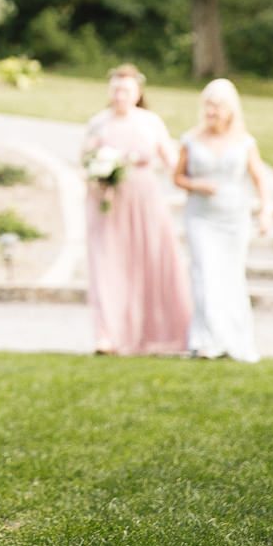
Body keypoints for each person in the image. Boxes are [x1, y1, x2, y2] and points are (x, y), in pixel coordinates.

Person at [82, 64, 192, 356]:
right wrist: (98, 172)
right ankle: (106, 335)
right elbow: (84, 161)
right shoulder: (98, 123)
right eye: (115, 90)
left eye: (126, 90)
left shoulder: (150, 122)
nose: (120, 96)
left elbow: (171, 161)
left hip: (145, 201)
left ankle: (156, 333)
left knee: (151, 263)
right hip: (109, 202)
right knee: (108, 265)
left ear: (138, 93)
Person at [173, 79, 269, 362]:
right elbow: (177, 177)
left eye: (218, 105)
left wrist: (265, 211)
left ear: (230, 109)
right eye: (209, 104)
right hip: (201, 216)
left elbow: (259, 178)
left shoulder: (245, 142)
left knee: (230, 276)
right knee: (204, 274)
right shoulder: (190, 139)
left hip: (234, 218)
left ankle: (234, 338)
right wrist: (196, 184)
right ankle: (205, 339)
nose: (212, 110)